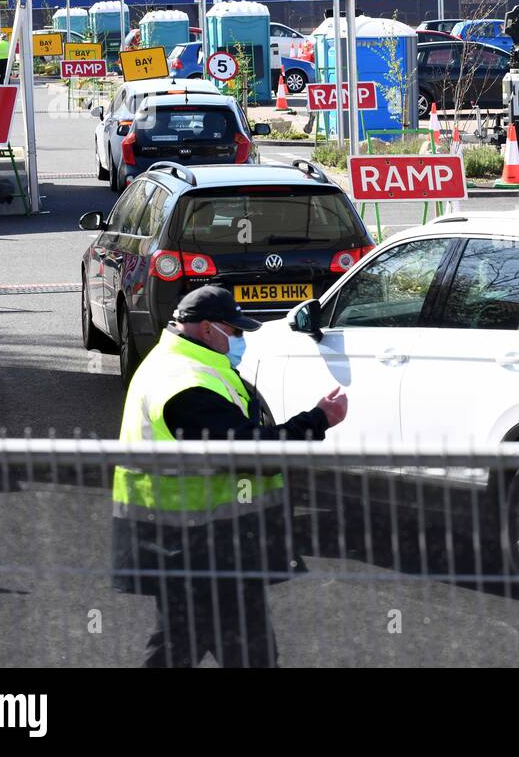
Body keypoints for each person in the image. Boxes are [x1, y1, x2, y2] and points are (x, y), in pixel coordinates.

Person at [112, 285, 348, 668]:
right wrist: (318, 419)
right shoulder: (187, 385)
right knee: (243, 653)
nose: (239, 339)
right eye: (235, 331)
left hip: (191, 544)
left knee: (183, 648)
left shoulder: (179, 363)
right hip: (200, 547)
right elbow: (249, 452)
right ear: (207, 329)